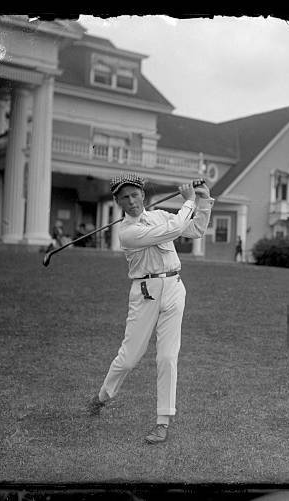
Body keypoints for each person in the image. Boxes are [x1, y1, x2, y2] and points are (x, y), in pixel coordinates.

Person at [87, 173, 215, 445]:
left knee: (167, 357)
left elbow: (195, 230)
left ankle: (162, 422)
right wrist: (188, 201)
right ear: (117, 201)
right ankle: (102, 397)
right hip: (145, 294)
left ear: (143, 195)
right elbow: (174, 230)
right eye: (124, 197)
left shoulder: (159, 216)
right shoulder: (128, 232)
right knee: (129, 357)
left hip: (174, 288)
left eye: (135, 195)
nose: (131, 201)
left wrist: (203, 201)